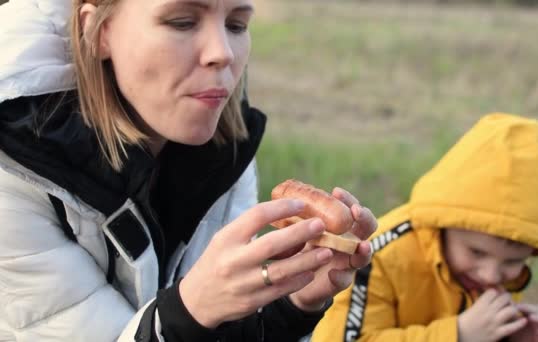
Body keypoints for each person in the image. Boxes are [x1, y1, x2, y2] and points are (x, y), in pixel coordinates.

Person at [0, 0, 377, 341]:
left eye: (237, 25)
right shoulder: (11, 174)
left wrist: (290, 306)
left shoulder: (225, 148)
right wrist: (190, 311)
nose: (222, 53)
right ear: (98, 32)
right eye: (182, 21)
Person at [311, 113, 538, 342]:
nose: (491, 275)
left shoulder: (493, 274)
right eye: (477, 253)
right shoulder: (378, 256)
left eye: (513, 261)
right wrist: (458, 334)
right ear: (444, 223)